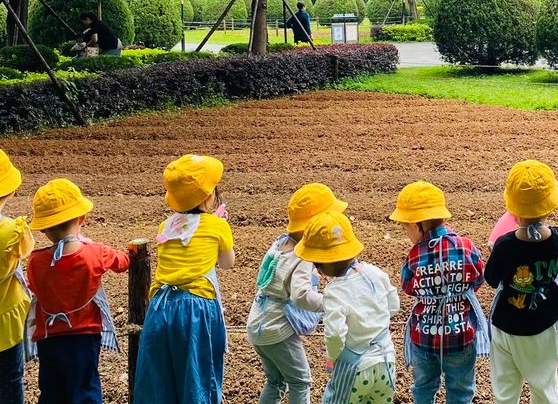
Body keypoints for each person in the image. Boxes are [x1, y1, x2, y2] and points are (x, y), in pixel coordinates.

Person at [134, 155, 235, 404]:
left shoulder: (165, 226)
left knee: (158, 382)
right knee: (198, 378)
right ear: (209, 196)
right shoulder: (217, 226)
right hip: (196, 307)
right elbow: (227, 263)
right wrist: (219, 231)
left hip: (159, 306)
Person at [25, 179, 130, 404]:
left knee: (52, 391)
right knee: (84, 388)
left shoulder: (35, 260)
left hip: (48, 337)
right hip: (84, 335)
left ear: (43, 228)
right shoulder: (96, 252)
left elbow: (33, 286)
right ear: (82, 218)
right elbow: (123, 263)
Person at [484, 160, 558, 404]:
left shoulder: (504, 244)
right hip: (543, 325)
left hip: (506, 324)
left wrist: (497, 253)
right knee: (545, 388)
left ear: (512, 207)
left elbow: (491, 279)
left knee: (504, 391)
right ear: (548, 205)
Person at [247, 183, 346, 404]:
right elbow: (300, 296)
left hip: (258, 324)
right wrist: (332, 302)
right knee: (301, 382)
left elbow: (281, 278)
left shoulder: (280, 243)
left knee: (275, 381)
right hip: (276, 330)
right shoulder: (302, 255)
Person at [389, 181, 486, 404]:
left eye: (405, 227)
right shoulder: (466, 246)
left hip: (423, 338)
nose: (406, 233)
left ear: (418, 225)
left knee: (423, 388)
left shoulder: (415, 255)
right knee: (461, 390)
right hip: (460, 334)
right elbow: (478, 277)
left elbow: (408, 287)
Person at [294, 211, 400, 404]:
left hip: (356, 368)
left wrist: (334, 357)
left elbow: (335, 334)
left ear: (323, 264)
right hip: (387, 361)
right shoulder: (375, 273)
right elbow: (393, 305)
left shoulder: (335, 292)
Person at [0, 151, 33, 404]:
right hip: (5, 325)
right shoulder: (12, 231)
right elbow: (26, 250)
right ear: (9, 192)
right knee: (11, 380)